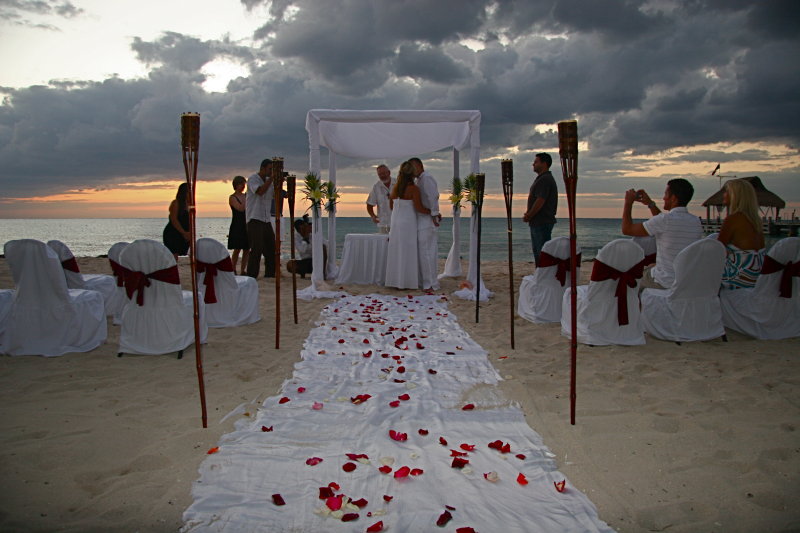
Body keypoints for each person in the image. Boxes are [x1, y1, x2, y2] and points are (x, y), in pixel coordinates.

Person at [622, 178, 703, 289]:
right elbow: (663, 222)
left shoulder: (665, 221)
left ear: (673, 198)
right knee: (651, 266)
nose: (663, 198)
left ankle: (637, 305)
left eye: (666, 194)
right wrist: (650, 204)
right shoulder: (695, 221)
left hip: (665, 281)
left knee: (628, 279)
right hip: (686, 280)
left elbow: (627, 229)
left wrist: (628, 202)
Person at [385, 161, 431, 289]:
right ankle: (407, 281)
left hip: (396, 222)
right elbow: (419, 208)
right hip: (408, 222)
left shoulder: (394, 188)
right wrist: (432, 212)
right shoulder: (413, 189)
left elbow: (391, 206)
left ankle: (395, 281)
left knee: (397, 249)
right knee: (408, 250)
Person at [717, 179, 765, 289]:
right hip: (755, 278)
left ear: (735, 195)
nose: (724, 195)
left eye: (726, 191)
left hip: (737, 280)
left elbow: (717, 250)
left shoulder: (733, 219)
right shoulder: (756, 221)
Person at [409, 157, 441, 290]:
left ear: (420, 166)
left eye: (413, 167)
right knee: (424, 251)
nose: (412, 170)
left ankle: (430, 283)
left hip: (426, 218)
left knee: (426, 251)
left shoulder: (426, 178)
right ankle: (426, 281)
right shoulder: (418, 180)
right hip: (421, 217)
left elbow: (433, 196)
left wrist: (434, 214)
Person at [522, 152, 558, 266]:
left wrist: (529, 215)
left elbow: (540, 200)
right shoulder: (542, 178)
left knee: (541, 252)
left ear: (544, 163)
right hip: (538, 222)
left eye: (536, 162)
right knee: (539, 252)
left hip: (541, 222)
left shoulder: (545, 179)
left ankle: (543, 276)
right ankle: (540, 274)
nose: (533, 164)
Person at [246, 159, 276, 279]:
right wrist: (272, 179)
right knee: (256, 248)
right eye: (270, 169)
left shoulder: (270, 182)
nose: (271, 172)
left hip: (266, 219)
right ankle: (252, 275)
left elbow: (275, 195)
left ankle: (270, 274)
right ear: (262, 168)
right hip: (254, 217)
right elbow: (260, 191)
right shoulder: (253, 178)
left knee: (271, 247)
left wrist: (278, 183)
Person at [227, 175, 249, 275]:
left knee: (246, 249)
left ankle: (243, 270)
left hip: (246, 224)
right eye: (241, 184)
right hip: (237, 225)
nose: (243, 186)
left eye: (244, 184)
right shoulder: (232, 197)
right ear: (236, 185)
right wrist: (246, 198)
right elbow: (240, 208)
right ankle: (233, 268)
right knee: (237, 249)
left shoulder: (245, 196)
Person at [163, 182, 191, 260]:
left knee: (184, 252)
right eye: (189, 191)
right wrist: (184, 233)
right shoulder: (176, 203)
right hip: (173, 233)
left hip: (184, 233)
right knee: (174, 255)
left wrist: (189, 233)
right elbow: (174, 220)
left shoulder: (190, 205)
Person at [367, 164, 395, 233]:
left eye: (384, 173)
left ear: (389, 172)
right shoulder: (376, 187)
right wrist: (373, 216)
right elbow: (369, 204)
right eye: (380, 174)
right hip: (383, 224)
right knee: (383, 243)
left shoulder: (398, 184)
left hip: (398, 222)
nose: (382, 176)